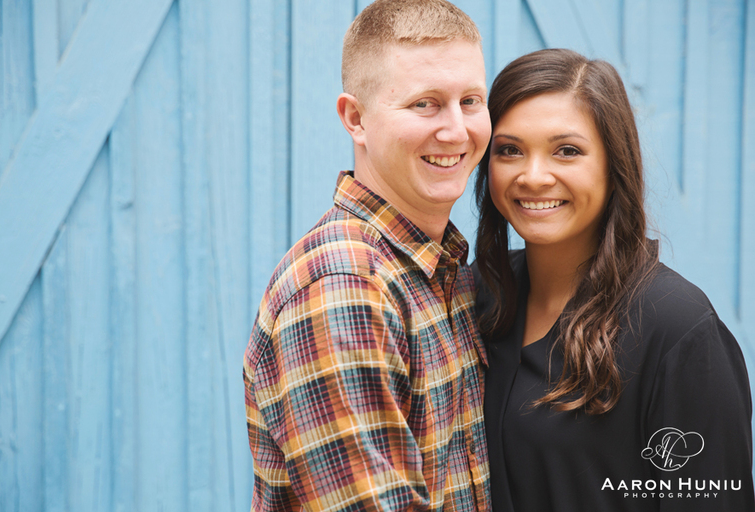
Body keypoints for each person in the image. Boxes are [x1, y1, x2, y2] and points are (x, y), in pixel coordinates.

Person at [472, 48, 754, 511]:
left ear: (613, 163)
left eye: (567, 151)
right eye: (509, 150)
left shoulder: (678, 330)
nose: (533, 176)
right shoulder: (478, 297)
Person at [244, 1, 492, 510]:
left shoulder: (441, 270)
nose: (456, 130)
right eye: (424, 104)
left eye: (470, 101)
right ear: (355, 118)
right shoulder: (344, 285)